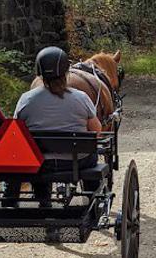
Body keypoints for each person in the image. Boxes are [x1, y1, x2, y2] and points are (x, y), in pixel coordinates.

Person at [13, 46, 102, 205]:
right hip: (77, 161)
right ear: (66, 72)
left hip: (41, 163)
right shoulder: (81, 98)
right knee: (92, 155)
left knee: (38, 158)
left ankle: (43, 200)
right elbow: (97, 131)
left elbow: (16, 132)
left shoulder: (26, 99)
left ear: (39, 74)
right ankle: (92, 199)